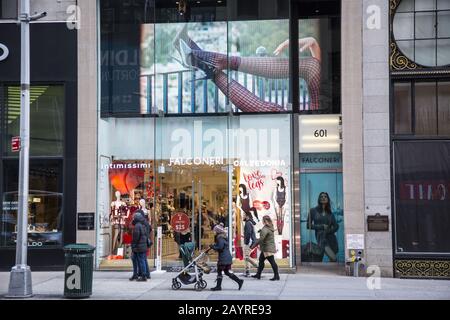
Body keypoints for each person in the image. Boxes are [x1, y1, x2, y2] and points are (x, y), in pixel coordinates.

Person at [173, 25, 322, 112]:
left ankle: (199, 59)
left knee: (272, 112)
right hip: (315, 119)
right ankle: (201, 61)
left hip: (312, 127)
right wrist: (314, 43)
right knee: (313, 66)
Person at [209, 223, 244, 291]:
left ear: (217, 231)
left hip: (223, 258)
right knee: (226, 272)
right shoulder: (224, 237)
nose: (214, 232)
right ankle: (239, 281)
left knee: (219, 271)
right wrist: (215, 245)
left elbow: (220, 247)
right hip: (227, 257)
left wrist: (213, 247)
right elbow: (221, 246)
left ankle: (218, 287)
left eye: (215, 231)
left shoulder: (220, 238)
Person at [307, 192, 339, 262]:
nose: (323, 198)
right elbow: (308, 225)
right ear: (319, 199)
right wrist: (321, 226)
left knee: (332, 259)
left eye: (325, 196)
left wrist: (329, 231)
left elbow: (336, 226)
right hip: (322, 238)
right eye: (321, 196)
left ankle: (330, 272)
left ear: (328, 199)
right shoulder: (313, 211)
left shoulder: (330, 214)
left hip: (331, 238)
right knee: (334, 258)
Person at [250, 215, 280, 281]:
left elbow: (261, 239)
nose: (262, 221)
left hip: (267, 248)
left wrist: (253, 246)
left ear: (264, 221)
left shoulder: (265, 229)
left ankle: (276, 276)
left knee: (272, 262)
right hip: (266, 247)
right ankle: (258, 274)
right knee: (261, 261)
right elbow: (266, 234)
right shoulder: (270, 226)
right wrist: (261, 231)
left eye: (262, 220)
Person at [130, 210, 150, 282]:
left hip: (139, 247)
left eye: (134, 217)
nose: (133, 218)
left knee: (140, 260)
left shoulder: (137, 226)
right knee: (141, 260)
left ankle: (143, 275)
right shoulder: (142, 225)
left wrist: (133, 246)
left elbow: (136, 238)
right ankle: (139, 274)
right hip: (142, 246)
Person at [242, 211, 258, 277]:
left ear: (247, 216)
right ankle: (247, 271)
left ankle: (258, 266)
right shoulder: (249, 222)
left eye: (244, 215)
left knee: (246, 257)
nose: (243, 216)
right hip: (250, 242)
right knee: (246, 257)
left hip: (249, 242)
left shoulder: (248, 223)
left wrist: (246, 242)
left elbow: (248, 233)